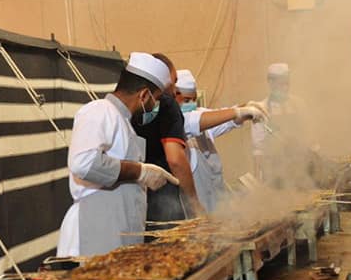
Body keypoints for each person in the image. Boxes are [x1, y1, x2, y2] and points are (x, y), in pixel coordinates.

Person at [56, 52, 178, 257]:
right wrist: (139, 171)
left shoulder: (124, 122)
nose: (154, 106)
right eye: (155, 99)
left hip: (116, 230)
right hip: (95, 229)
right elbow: (83, 163)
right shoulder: (99, 110)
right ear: (144, 95)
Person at [172, 69, 268, 212]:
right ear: (173, 97)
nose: (191, 104)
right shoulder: (175, 122)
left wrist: (247, 107)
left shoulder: (201, 116)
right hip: (196, 214)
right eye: (186, 100)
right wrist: (240, 112)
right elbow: (193, 121)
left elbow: (223, 117)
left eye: (194, 99)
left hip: (218, 211)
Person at [133, 53, 202, 222]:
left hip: (133, 202)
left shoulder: (127, 107)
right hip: (163, 203)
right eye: (174, 80)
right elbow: (175, 159)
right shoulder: (167, 104)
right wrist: (195, 205)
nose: (175, 88)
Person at [250, 62, 310, 186]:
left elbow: (308, 136)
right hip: (274, 172)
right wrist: (257, 181)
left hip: (300, 168)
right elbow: (258, 149)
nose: (284, 87)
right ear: (270, 83)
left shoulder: (299, 104)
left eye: (286, 83)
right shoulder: (261, 109)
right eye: (279, 83)